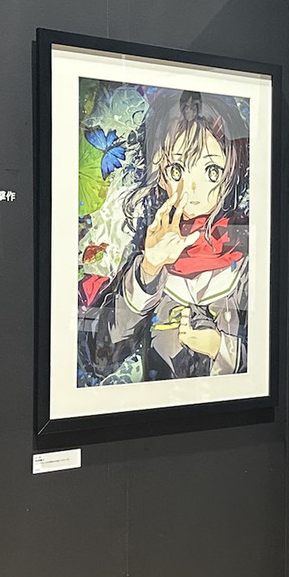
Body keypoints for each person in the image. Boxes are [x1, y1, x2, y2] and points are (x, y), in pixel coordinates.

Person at [81, 89, 249, 382]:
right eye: (176, 170)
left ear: (232, 169)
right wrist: (149, 267)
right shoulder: (150, 247)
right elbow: (99, 358)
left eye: (211, 171)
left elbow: (278, 354)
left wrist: (220, 347)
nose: (190, 190)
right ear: (159, 172)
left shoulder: (246, 253)